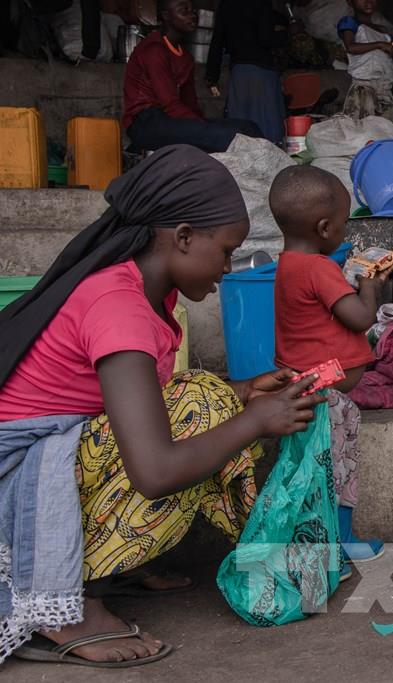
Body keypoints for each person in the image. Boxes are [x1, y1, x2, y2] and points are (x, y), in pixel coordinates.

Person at [0, 146, 323, 667]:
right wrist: (253, 420)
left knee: (206, 395)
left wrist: (242, 392)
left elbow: (134, 401)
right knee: (200, 407)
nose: (227, 267)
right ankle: (67, 609)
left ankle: (112, 565)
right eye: (226, 251)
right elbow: (154, 472)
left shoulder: (145, 293)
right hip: (16, 484)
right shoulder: (118, 306)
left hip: (44, 458)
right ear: (184, 237)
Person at [270, 166, 389, 564]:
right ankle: (339, 540)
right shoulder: (318, 268)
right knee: (337, 468)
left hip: (310, 387)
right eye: (342, 224)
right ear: (324, 228)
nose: (344, 231)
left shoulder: (288, 264)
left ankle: (329, 538)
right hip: (325, 395)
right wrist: (370, 286)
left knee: (319, 467)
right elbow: (360, 317)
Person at [122, 0, 261, 153]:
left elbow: (189, 102)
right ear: (166, 15)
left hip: (170, 118)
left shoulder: (185, 57)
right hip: (145, 122)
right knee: (225, 136)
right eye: (184, 10)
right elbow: (170, 104)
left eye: (193, 10)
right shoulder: (154, 50)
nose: (192, 15)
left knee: (247, 128)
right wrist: (203, 127)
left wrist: (202, 123)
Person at [205, 0, 297, 147]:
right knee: (267, 133)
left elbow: (217, 39)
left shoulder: (227, 4)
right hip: (261, 75)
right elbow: (266, 38)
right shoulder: (262, 3)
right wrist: (289, 33)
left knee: (240, 134)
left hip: (239, 74)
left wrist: (212, 74)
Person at [338, 0, 393, 120]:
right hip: (364, 87)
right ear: (350, 2)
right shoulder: (349, 22)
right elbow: (351, 47)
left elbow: (389, 61)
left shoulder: (383, 30)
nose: (368, 1)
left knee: (386, 127)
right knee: (362, 126)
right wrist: (380, 45)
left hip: (385, 89)